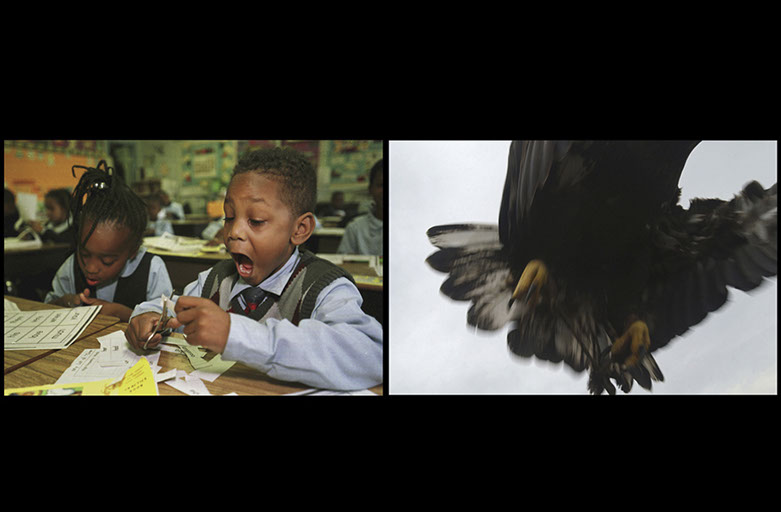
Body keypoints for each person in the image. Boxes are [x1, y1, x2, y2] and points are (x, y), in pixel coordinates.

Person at [126, 147, 383, 391]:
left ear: (300, 229)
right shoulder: (215, 280)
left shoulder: (323, 286)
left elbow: (371, 354)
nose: (234, 232)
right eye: (228, 217)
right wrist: (146, 318)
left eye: (256, 221)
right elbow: (168, 307)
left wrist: (234, 333)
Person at [44, 161, 173, 322]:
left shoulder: (152, 269)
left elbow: (168, 322)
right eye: (84, 254)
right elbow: (45, 309)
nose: (90, 268)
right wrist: (62, 304)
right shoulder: (70, 268)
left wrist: (124, 315)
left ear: (133, 252)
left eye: (107, 261)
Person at [337, 159, 383, 255]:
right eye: (381, 185)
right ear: (370, 189)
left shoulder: (411, 227)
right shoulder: (355, 228)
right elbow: (343, 265)